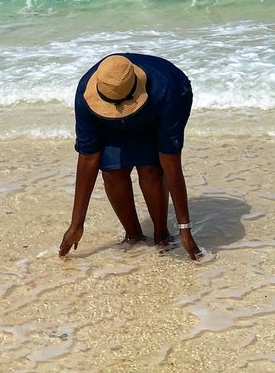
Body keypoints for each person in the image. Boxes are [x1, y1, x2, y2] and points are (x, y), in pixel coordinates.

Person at [58, 52, 201, 260]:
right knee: (112, 171)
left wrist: (184, 228)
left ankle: (162, 235)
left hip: (157, 107)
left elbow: (170, 163)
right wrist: (76, 225)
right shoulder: (86, 96)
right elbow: (89, 158)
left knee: (151, 169)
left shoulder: (167, 91)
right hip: (110, 119)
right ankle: (133, 236)